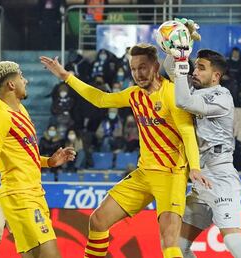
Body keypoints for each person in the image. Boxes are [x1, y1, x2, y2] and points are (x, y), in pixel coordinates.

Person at [40, 43, 211, 258]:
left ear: (156, 66)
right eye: (133, 69)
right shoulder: (134, 95)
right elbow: (101, 100)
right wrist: (67, 77)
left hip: (171, 175)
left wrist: (194, 167)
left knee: (169, 240)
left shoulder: (172, 94)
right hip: (143, 174)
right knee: (98, 220)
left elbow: (187, 133)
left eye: (143, 67)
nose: (138, 74)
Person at [164, 37, 241, 257]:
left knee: (233, 240)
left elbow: (183, 102)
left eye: (201, 68)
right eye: (195, 66)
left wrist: (181, 62)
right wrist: (177, 42)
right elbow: (169, 67)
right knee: (176, 245)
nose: (195, 71)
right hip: (199, 178)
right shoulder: (193, 91)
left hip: (220, 175)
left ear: (216, 76)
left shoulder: (221, 97)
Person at [0, 61, 76, 258]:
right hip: (20, 197)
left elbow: (22, 155)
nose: (26, 80)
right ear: (11, 85)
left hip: (35, 194)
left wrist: (48, 162)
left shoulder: (21, 111)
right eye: (21, 77)